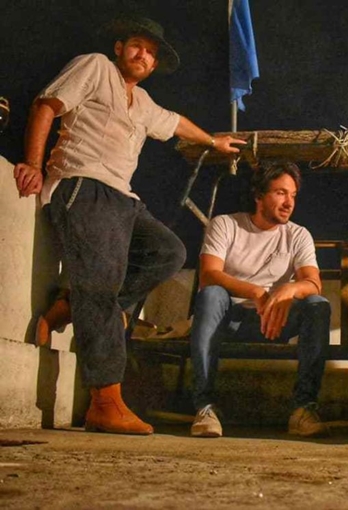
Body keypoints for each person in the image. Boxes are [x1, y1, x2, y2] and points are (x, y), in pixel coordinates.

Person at [13, 16, 245, 435]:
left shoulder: (143, 102)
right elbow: (46, 105)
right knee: (101, 289)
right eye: (138, 45)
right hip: (83, 184)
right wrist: (32, 163)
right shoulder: (95, 66)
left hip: (123, 198)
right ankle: (104, 402)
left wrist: (213, 141)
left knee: (168, 252)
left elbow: (175, 122)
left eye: (151, 53)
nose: (144, 55)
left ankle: (71, 305)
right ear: (120, 47)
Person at [189, 161, 331, 439]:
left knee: (318, 305)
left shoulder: (297, 234)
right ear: (258, 195)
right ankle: (204, 407)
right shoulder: (226, 224)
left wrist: (288, 290)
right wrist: (257, 292)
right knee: (211, 294)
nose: (289, 203)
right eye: (280, 193)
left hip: (276, 320)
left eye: (293, 195)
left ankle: (303, 409)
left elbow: (313, 283)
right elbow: (209, 274)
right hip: (229, 321)